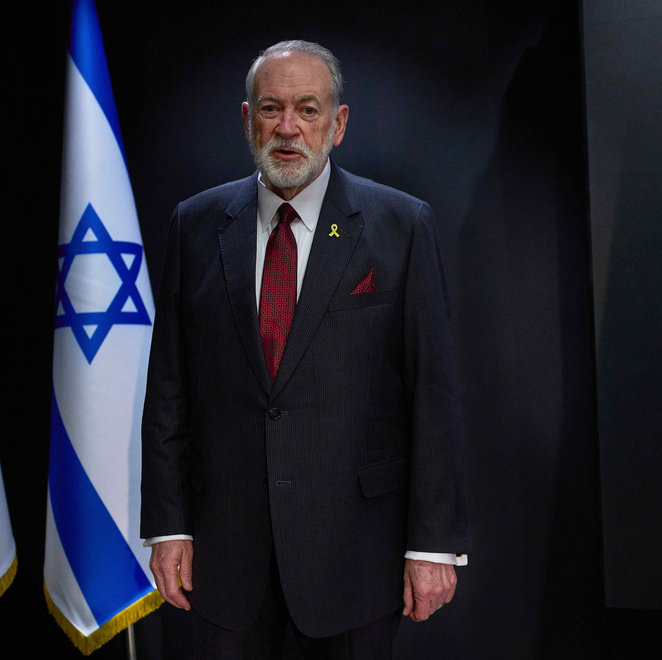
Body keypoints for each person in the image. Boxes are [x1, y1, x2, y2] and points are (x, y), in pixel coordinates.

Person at [140, 40, 471, 659]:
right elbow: (170, 389)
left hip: (356, 553)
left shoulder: (400, 225)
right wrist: (168, 524)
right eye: (271, 108)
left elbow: (435, 392)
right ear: (247, 119)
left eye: (308, 109)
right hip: (226, 552)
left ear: (338, 123)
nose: (288, 128)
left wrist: (432, 544)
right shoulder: (196, 224)